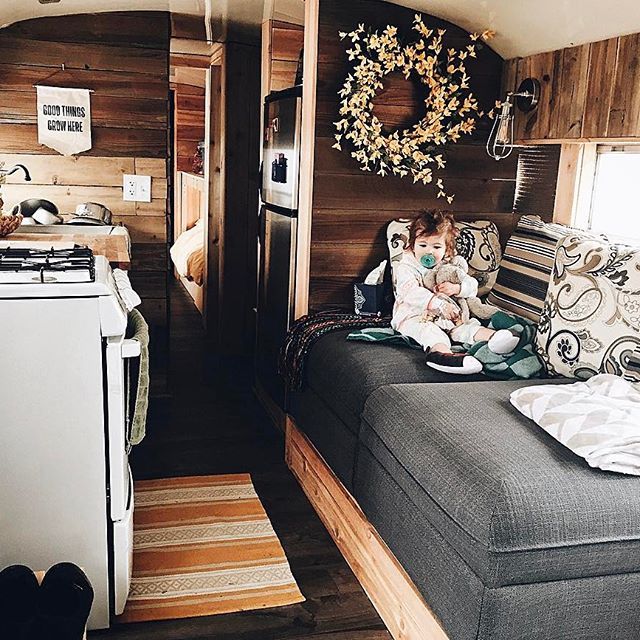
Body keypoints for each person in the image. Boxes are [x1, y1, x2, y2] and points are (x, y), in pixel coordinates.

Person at [392, 210, 519, 374]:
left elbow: (472, 286)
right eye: (423, 245)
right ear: (412, 245)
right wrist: (438, 304)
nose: (429, 251)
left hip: (449, 316)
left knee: (465, 327)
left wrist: (458, 289)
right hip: (415, 316)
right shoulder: (406, 267)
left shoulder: (450, 265)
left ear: (447, 249)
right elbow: (410, 292)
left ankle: (496, 338)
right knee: (431, 332)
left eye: (436, 246)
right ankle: (442, 355)